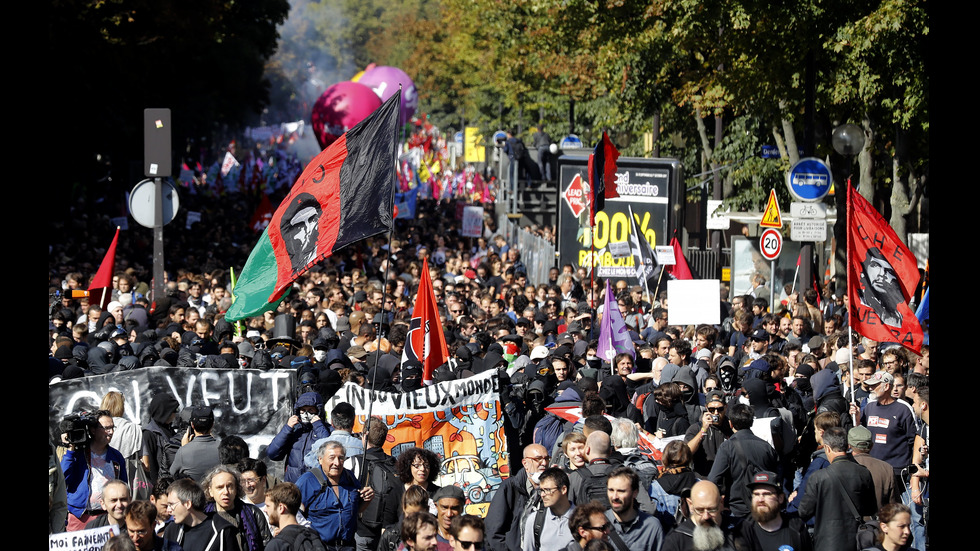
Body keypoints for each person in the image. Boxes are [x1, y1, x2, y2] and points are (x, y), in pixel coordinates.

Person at [797, 427, 877, 551]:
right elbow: (871, 508)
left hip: (826, 542)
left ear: (827, 448)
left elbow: (804, 511)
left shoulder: (818, 477)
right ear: (847, 446)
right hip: (856, 542)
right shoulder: (864, 473)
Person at [706, 403, 778, 525]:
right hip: (763, 509)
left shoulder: (727, 447)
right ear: (751, 422)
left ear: (731, 423)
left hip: (737, 511)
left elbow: (713, 479)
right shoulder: (767, 447)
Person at [297, 440, 375, 550]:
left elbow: (355, 510)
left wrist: (367, 499)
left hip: (347, 546)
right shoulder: (308, 481)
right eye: (331, 457)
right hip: (318, 547)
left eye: (341, 458)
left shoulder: (350, 478)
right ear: (320, 459)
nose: (337, 463)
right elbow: (292, 513)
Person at [852, 370, 916, 501]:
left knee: (895, 509)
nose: (871, 388)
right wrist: (857, 418)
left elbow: (914, 440)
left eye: (875, 385)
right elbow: (861, 434)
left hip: (896, 471)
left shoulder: (903, 409)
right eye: (870, 385)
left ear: (886, 386)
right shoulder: (869, 407)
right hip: (873, 468)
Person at [61, 411, 129, 531]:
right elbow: (63, 478)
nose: (111, 432)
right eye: (106, 428)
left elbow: (123, 485)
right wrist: (71, 450)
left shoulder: (116, 456)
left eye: (112, 427)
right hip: (80, 517)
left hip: (107, 517)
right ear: (93, 430)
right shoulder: (78, 454)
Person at [350, 418, 405, 551]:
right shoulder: (395, 464)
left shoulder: (354, 462)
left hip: (362, 533)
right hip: (390, 533)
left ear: (365, 436)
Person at [485, 444, 550, 551]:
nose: (544, 463)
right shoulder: (510, 487)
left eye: (546, 458)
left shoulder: (552, 489)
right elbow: (493, 529)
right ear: (525, 463)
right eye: (538, 459)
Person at [733, 472, 812, 551]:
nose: (760, 499)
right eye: (756, 494)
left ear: (780, 498)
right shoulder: (742, 531)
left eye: (766, 494)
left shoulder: (796, 529)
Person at [202, 464, 272, 551]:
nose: (226, 492)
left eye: (230, 486)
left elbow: (267, 545)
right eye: (220, 487)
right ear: (210, 491)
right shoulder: (203, 517)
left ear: (236, 489)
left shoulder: (253, 513)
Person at [266, 391, 331, 483]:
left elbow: (329, 450)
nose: (306, 414)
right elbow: (272, 453)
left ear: (318, 411)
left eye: (310, 410)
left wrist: (318, 427)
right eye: (303, 410)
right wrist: (287, 428)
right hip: (293, 485)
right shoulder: (294, 429)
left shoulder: (326, 429)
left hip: (317, 485)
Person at [163, 477, 239, 551]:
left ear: (187, 504)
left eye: (171, 504)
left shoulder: (222, 531)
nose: (168, 510)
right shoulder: (172, 530)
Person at [661, 480, 736, 551]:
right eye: (700, 510)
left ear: (721, 503)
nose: (706, 516)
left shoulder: (741, 530)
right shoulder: (676, 540)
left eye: (711, 509)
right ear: (690, 504)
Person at [602, 467, 663, 551]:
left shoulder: (651, 527)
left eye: (621, 491)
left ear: (635, 493)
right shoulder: (600, 524)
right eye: (611, 490)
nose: (615, 497)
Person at [523, 468, 575, 551]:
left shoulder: (583, 519)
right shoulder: (535, 520)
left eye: (548, 490)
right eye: (541, 490)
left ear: (563, 489)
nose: (543, 495)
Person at [265, 482, 327, 551]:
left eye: (268, 506)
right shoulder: (313, 537)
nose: (265, 510)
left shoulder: (277, 545)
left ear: (281, 508)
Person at [848, 427, 896, 511]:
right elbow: (894, 507)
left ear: (848, 445)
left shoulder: (841, 466)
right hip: (877, 522)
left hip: (849, 522)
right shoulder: (887, 468)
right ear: (871, 445)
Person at [170, 406, 221, 484]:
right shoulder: (222, 448)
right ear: (212, 424)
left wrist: (185, 447)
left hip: (194, 494)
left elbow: (173, 473)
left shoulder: (184, 452)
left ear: (192, 425)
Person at [432, 485, 466, 551]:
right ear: (436, 506)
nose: (449, 514)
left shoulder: (470, 536)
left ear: (462, 509)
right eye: (444, 507)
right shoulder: (427, 535)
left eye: (454, 508)